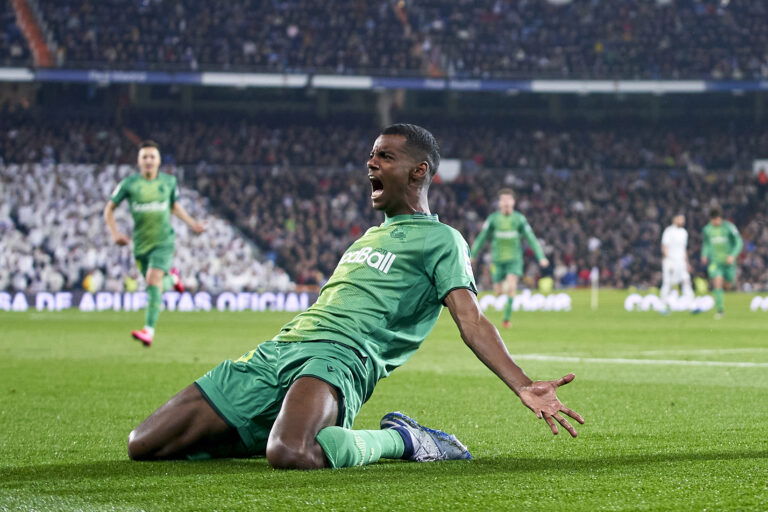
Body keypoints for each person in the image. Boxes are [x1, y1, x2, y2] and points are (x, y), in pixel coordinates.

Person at [126, 124, 584, 470]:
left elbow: (472, 320)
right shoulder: (367, 237)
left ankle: (403, 440)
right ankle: (285, 422)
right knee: (143, 445)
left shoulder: (442, 240)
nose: (371, 163)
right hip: (279, 349)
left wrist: (522, 384)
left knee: (291, 453)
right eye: (371, 155)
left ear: (419, 170)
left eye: (384, 156)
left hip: (342, 357)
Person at [104, 140, 205, 346]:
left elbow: (174, 206)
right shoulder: (129, 184)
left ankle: (148, 331)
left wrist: (192, 223)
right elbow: (109, 209)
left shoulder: (169, 182)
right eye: (145, 157)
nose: (148, 160)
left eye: (152, 157)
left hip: (163, 241)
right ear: (139, 161)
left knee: (152, 280)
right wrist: (115, 234)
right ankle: (172, 279)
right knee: (154, 286)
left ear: (159, 161)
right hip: (140, 244)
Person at [471, 189, 549, 328]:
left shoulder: (519, 219)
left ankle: (506, 319)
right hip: (497, 260)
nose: (506, 202)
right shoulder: (493, 219)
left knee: (512, 286)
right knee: (498, 291)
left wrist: (541, 256)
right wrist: (473, 255)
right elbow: (481, 237)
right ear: (499, 203)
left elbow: (531, 238)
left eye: (509, 199)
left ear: (513, 202)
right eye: (503, 200)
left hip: (514, 259)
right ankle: (502, 289)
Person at [700, 207, 743, 319]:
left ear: (720, 218)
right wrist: (704, 254)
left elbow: (739, 242)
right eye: (713, 220)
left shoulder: (729, 227)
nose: (715, 222)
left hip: (728, 262)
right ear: (711, 219)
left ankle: (721, 294)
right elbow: (706, 243)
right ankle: (720, 310)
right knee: (717, 283)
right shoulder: (707, 229)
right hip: (715, 262)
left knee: (728, 284)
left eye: (717, 219)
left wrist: (733, 255)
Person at [660, 214, 694, 312]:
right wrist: (669, 260)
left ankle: (690, 301)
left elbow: (683, 249)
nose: (682, 221)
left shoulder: (684, 232)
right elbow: (664, 246)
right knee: (667, 282)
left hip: (681, 261)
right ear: (674, 219)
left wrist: (687, 263)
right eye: (680, 219)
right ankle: (663, 304)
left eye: (683, 219)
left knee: (686, 280)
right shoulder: (669, 231)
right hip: (670, 261)